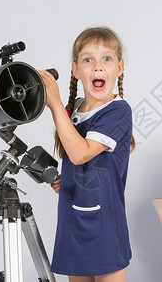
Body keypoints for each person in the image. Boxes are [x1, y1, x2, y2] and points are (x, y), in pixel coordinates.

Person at [39, 26, 134, 282]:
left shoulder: (118, 111)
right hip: (72, 219)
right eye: (87, 59)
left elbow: (82, 154)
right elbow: (75, 160)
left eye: (106, 58)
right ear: (76, 70)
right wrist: (67, 180)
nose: (97, 67)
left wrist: (55, 104)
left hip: (105, 223)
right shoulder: (75, 109)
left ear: (120, 67)